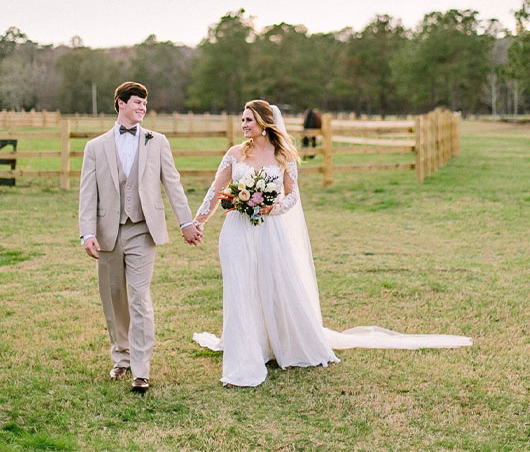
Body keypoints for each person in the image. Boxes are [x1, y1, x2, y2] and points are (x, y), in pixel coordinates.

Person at [193, 100, 472, 387]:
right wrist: (198, 222)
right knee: (240, 287)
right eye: (242, 120)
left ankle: (275, 342)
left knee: (273, 286)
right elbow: (215, 192)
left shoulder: (283, 155)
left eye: (249, 120)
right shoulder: (235, 153)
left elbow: (291, 197)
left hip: (270, 231)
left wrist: (270, 208)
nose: (244, 125)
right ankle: (244, 352)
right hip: (238, 230)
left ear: (265, 123)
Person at [79, 81, 202, 392]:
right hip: (108, 232)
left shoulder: (156, 142)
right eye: (136, 103)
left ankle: (141, 370)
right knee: (114, 298)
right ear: (120, 103)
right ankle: (121, 358)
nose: (142, 108)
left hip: (143, 230)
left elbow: (173, 184)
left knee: (139, 297)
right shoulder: (95, 147)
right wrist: (87, 233)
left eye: (144, 104)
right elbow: (87, 194)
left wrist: (185, 222)